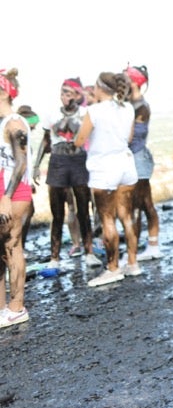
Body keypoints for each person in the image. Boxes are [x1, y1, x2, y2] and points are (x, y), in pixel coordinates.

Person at [75, 71, 141, 287]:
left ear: (99, 87)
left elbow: (80, 140)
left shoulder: (93, 111)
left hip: (104, 167)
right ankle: (132, 263)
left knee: (107, 218)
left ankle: (112, 268)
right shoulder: (128, 108)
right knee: (127, 216)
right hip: (126, 164)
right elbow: (130, 138)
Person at [35, 77, 97, 267]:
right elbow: (46, 141)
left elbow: (94, 138)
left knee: (83, 210)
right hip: (58, 162)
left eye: (68, 93)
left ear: (77, 95)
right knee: (58, 213)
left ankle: (89, 251)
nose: (64, 97)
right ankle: (55, 257)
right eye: (62, 92)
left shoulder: (86, 113)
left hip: (78, 161)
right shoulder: (51, 114)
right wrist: (36, 164)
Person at [0, 69, 32, 327]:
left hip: (13, 194)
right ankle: (3, 308)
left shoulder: (14, 123)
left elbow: (20, 163)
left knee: (13, 246)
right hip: (5, 192)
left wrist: (6, 197)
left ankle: (17, 307)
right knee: (3, 250)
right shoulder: (4, 122)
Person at [126, 65, 161, 262]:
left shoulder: (139, 106)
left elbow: (133, 136)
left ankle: (147, 247)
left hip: (138, 157)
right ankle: (146, 246)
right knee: (140, 204)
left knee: (141, 204)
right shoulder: (133, 104)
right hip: (135, 157)